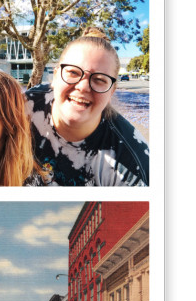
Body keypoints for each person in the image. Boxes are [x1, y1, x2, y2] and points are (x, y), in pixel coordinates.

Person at [25, 27, 149, 186]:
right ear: (55, 76)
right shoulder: (24, 106)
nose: (83, 87)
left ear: (112, 91)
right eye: (73, 72)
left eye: (99, 79)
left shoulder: (131, 165)